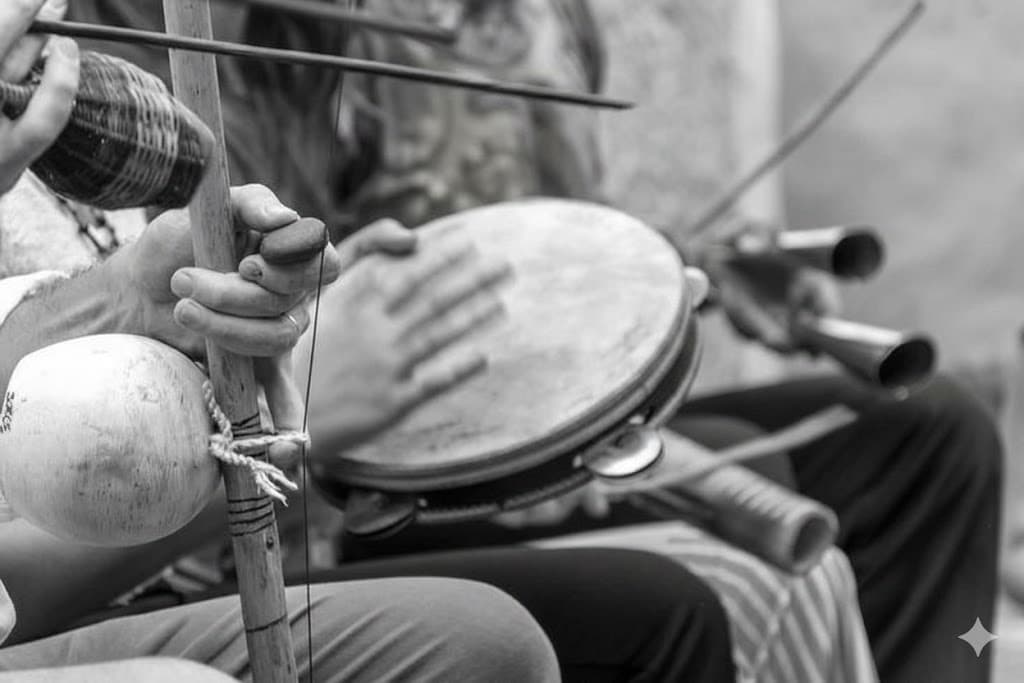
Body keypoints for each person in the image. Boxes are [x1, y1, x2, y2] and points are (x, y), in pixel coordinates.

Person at [239, 2, 996, 682]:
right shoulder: (323, 35)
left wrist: (704, 265)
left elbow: (561, 254)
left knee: (938, 428)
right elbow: (307, 306)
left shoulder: (554, 16)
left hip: (566, 412)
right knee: (753, 470)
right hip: (413, 469)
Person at [1, 3, 740, 682]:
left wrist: (161, 300)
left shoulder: (293, 50)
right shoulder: (79, 75)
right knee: (636, 613)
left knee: (687, 584)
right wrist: (298, 428)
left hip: (254, 518)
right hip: (181, 556)